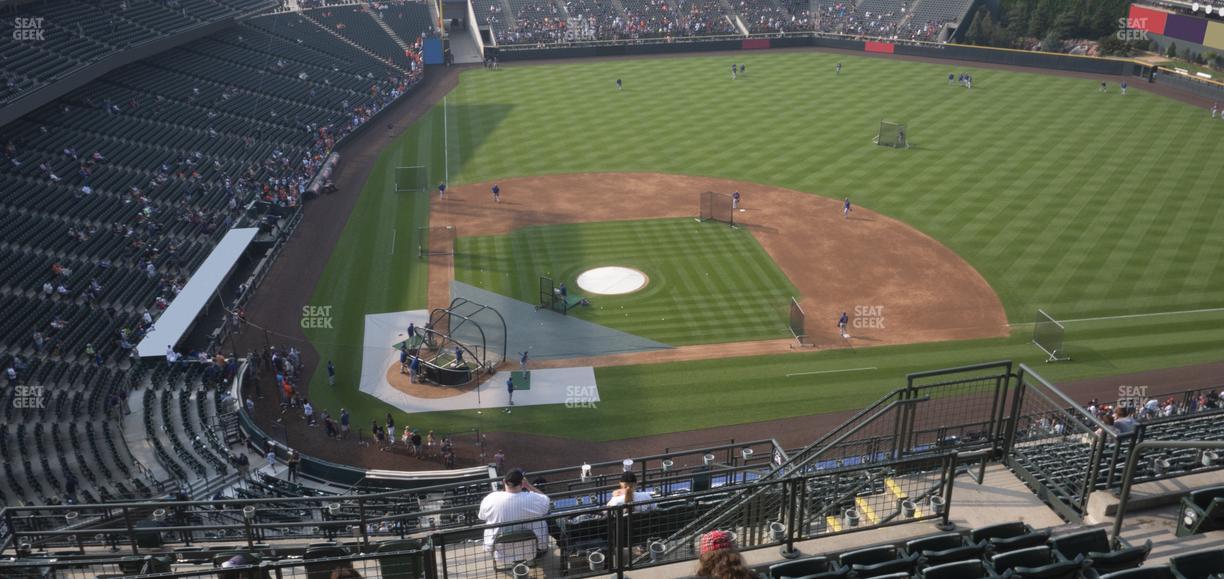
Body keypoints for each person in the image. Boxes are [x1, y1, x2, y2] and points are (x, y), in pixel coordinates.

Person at [478, 469, 551, 565]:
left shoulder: (490, 498)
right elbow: (546, 501)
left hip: (500, 553)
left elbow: (482, 517)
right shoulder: (534, 499)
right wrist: (528, 486)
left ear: (504, 481)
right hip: (530, 551)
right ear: (522, 483)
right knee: (540, 521)